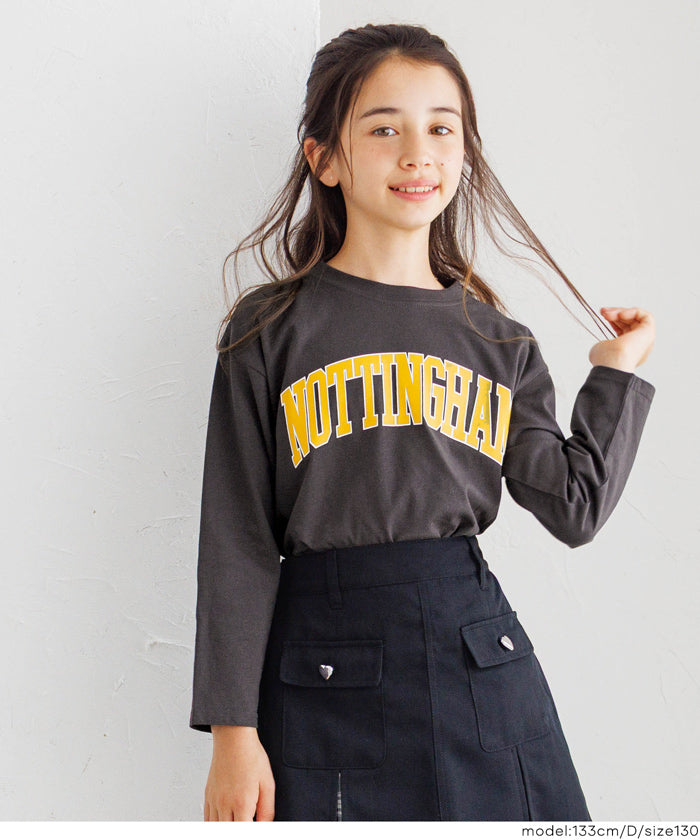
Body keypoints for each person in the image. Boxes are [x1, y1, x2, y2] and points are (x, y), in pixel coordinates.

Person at [188, 23, 656, 822]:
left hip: (479, 668)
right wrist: (234, 733)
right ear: (324, 158)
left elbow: (574, 507)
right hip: (321, 673)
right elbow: (235, 539)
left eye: (442, 128)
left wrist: (615, 372)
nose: (418, 153)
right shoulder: (270, 329)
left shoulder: (498, 341)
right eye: (384, 129)